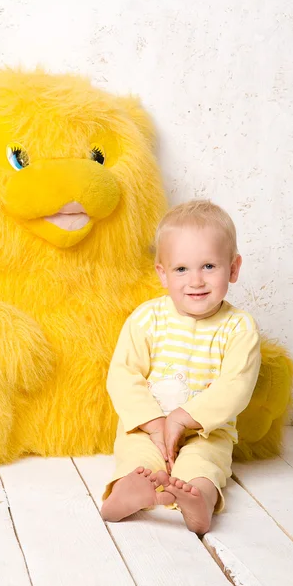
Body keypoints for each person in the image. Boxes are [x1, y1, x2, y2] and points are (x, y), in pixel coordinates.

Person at [101, 199, 261, 535]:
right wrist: (155, 422)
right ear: (162, 273)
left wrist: (182, 419)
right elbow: (123, 374)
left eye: (209, 266)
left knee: (205, 464)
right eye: (181, 269)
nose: (196, 281)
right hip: (148, 427)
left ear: (233, 268)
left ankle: (199, 500)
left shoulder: (238, 327)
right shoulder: (147, 318)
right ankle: (127, 490)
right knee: (137, 456)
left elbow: (235, 386)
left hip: (207, 430)